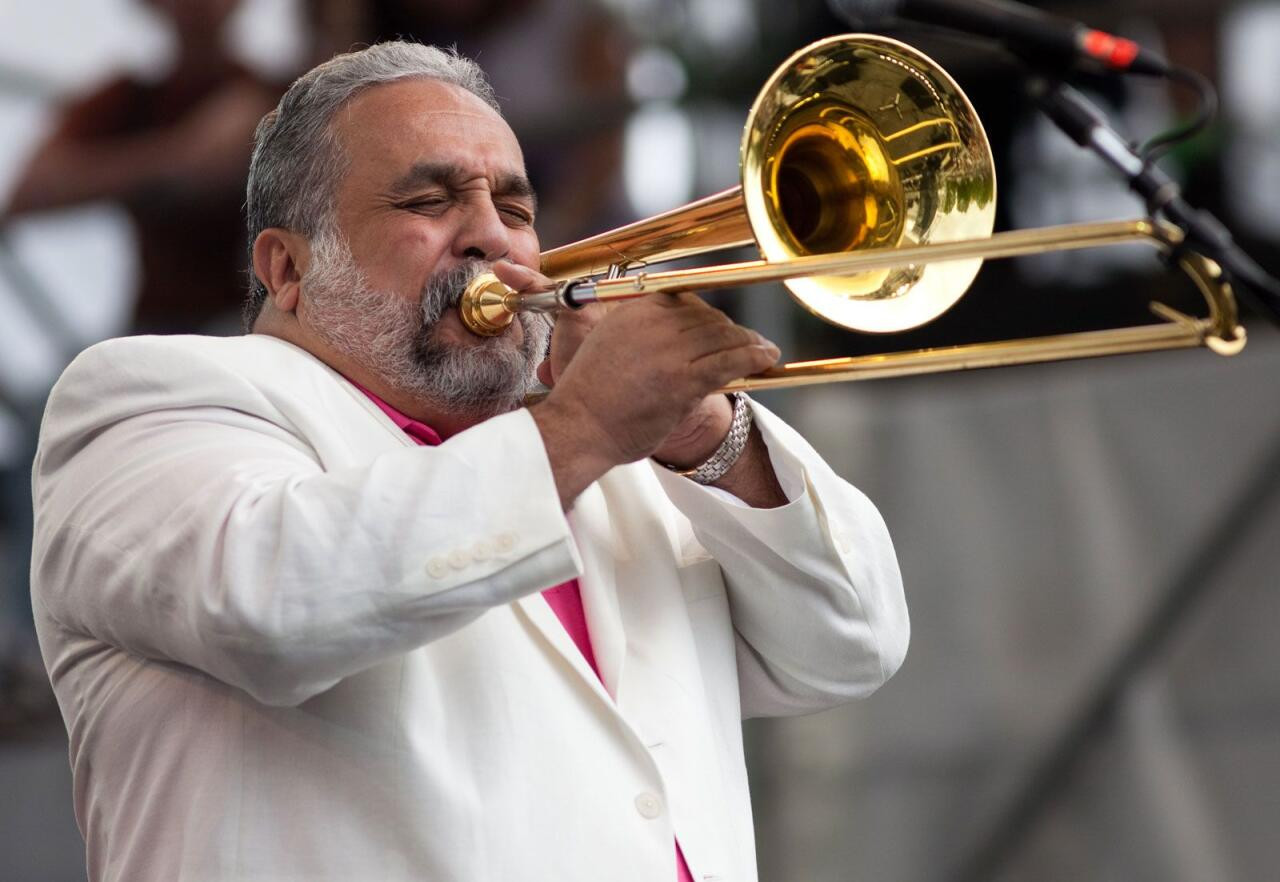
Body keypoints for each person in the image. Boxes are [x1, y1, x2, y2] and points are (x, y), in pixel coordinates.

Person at [30, 42, 908, 882]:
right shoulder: (150, 400)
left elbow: (851, 645)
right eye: (429, 201)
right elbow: (268, 602)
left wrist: (712, 441)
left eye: (517, 210)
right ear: (288, 267)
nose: (492, 235)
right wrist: (589, 423)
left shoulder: (618, 461)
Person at [4, 0, 280, 333]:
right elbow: (30, 190)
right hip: (168, 323)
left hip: (259, 323)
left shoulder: (279, 94)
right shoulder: (131, 99)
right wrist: (179, 158)